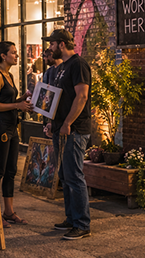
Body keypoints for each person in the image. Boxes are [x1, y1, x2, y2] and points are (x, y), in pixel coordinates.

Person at [43, 29, 92, 240]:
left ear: (61, 44)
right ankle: (71, 218)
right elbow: (55, 98)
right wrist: (50, 122)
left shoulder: (78, 65)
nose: (50, 48)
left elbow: (81, 97)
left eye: (52, 44)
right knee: (64, 175)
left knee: (74, 175)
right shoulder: (61, 67)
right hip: (60, 128)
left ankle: (82, 224)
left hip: (74, 129)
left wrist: (67, 123)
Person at [0, 41, 33, 228]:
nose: (16, 55)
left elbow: (8, 101)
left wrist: (20, 99)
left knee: (11, 170)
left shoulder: (9, 75)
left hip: (12, 127)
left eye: (16, 52)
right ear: (3, 56)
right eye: (13, 53)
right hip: (0, 127)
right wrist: (17, 105)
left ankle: (8, 211)